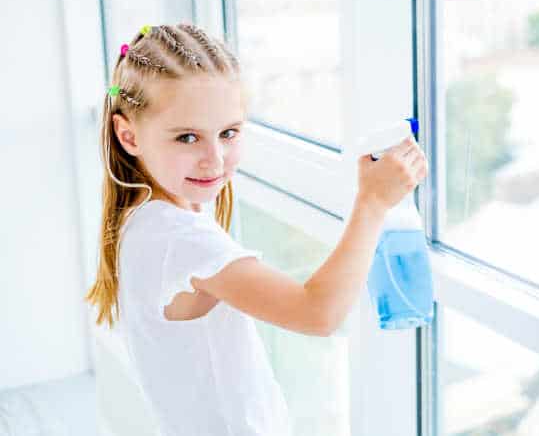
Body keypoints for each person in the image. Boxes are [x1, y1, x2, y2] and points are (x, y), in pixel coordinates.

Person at [85, 23, 428, 436]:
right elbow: (317, 313)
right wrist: (372, 203)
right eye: (187, 137)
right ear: (129, 135)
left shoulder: (152, 217)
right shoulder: (176, 238)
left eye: (229, 133)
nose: (215, 159)